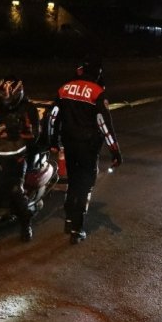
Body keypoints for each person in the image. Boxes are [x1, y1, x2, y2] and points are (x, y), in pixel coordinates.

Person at [48, 56, 122, 244]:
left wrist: (53, 141)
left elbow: (52, 117)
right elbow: (104, 124)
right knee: (85, 185)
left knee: (73, 182)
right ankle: (76, 229)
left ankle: (69, 219)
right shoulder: (97, 93)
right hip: (88, 147)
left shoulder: (65, 88)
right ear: (97, 73)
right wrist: (115, 151)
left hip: (69, 144)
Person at [0, 77, 40, 242]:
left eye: (6, 97)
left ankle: (25, 225)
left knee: (15, 191)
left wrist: (14, 133)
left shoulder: (28, 109)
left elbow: (33, 136)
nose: (3, 101)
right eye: (1, 97)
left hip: (19, 157)